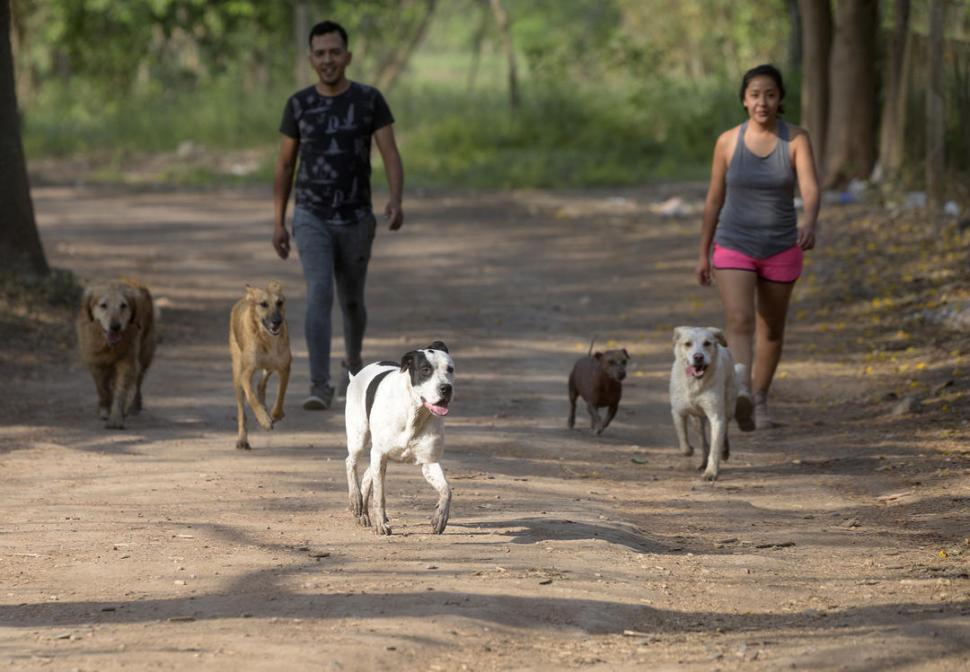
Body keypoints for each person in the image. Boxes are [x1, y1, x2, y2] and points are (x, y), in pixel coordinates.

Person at [273, 20, 404, 410]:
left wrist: (396, 199)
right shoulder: (298, 105)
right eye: (320, 53)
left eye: (334, 52)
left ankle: (354, 366)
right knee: (319, 292)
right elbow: (284, 165)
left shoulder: (369, 100)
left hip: (357, 217)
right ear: (310, 58)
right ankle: (319, 384)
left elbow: (390, 154)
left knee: (351, 301)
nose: (327, 60)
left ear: (347, 56)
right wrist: (278, 220)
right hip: (311, 214)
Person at [695, 64, 820, 430]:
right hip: (734, 243)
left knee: (772, 328)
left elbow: (810, 188)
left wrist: (809, 221)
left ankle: (761, 398)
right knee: (739, 319)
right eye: (754, 95)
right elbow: (713, 200)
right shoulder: (727, 141)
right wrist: (703, 251)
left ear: (780, 99)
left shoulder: (796, 140)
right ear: (744, 100)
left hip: (782, 245)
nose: (762, 102)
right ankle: (742, 392)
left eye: (770, 94)